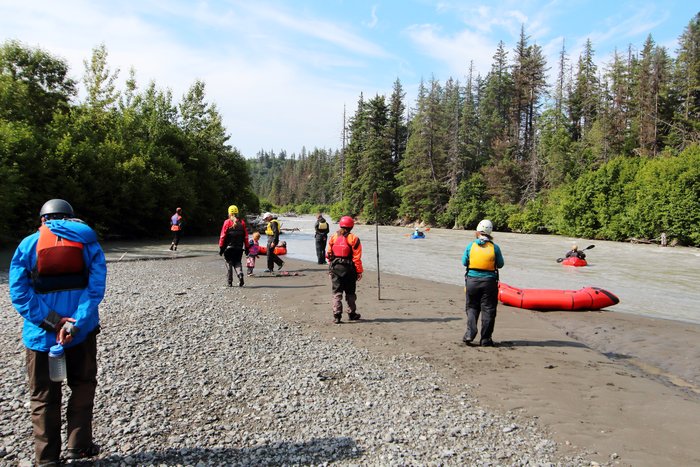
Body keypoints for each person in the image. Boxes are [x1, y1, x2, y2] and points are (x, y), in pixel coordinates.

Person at [9, 199, 107, 466]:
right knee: (83, 386)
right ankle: (79, 447)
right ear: (70, 218)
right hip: (80, 333)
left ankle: (47, 459)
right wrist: (74, 324)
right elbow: (95, 291)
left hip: (42, 337)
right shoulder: (89, 244)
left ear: (43, 220)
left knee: (43, 397)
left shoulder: (28, 245)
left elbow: (19, 293)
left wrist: (53, 322)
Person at [461, 219, 504, 347]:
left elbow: (464, 262)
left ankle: (470, 333)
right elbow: (500, 265)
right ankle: (485, 339)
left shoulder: (470, 246)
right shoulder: (495, 247)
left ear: (478, 232)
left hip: (472, 281)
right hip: (489, 283)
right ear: (490, 232)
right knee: (488, 310)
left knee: (472, 307)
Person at [326, 216, 363, 324]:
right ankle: (352, 313)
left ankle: (337, 315)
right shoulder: (354, 239)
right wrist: (359, 271)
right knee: (350, 292)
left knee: (337, 292)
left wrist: (330, 269)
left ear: (340, 225)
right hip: (349, 269)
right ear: (352, 226)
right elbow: (357, 258)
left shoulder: (333, 237)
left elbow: (328, 255)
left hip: (335, 268)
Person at [219, 205, 249, 287]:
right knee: (237, 262)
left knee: (229, 263)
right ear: (237, 213)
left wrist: (221, 248)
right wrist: (247, 248)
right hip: (239, 248)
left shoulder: (227, 222)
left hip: (229, 248)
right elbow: (246, 237)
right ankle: (240, 275)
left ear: (229, 213)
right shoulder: (242, 223)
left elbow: (222, 236)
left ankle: (229, 282)